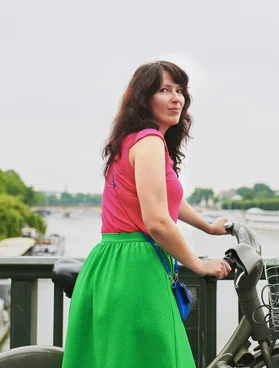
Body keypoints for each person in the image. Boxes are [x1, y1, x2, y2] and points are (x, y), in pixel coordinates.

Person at [61, 61, 232, 367]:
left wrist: (207, 227)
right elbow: (157, 221)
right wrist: (199, 265)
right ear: (144, 98)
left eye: (180, 90)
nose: (176, 98)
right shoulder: (150, 142)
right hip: (136, 269)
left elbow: (169, 201)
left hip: (112, 260)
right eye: (164, 90)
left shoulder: (131, 140)